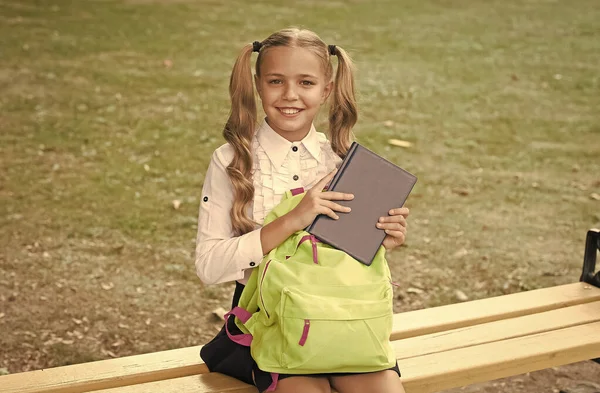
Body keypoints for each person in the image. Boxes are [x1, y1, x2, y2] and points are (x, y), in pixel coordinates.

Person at [195, 27, 409, 393]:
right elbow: (208, 266)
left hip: (340, 318)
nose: (290, 95)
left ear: (326, 90)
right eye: (276, 81)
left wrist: (381, 241)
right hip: (264, 322)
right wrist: (294, 219)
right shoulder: (232, 161)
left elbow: (350, 264)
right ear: (259, 85)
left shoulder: (344, 162)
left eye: (306, 82)